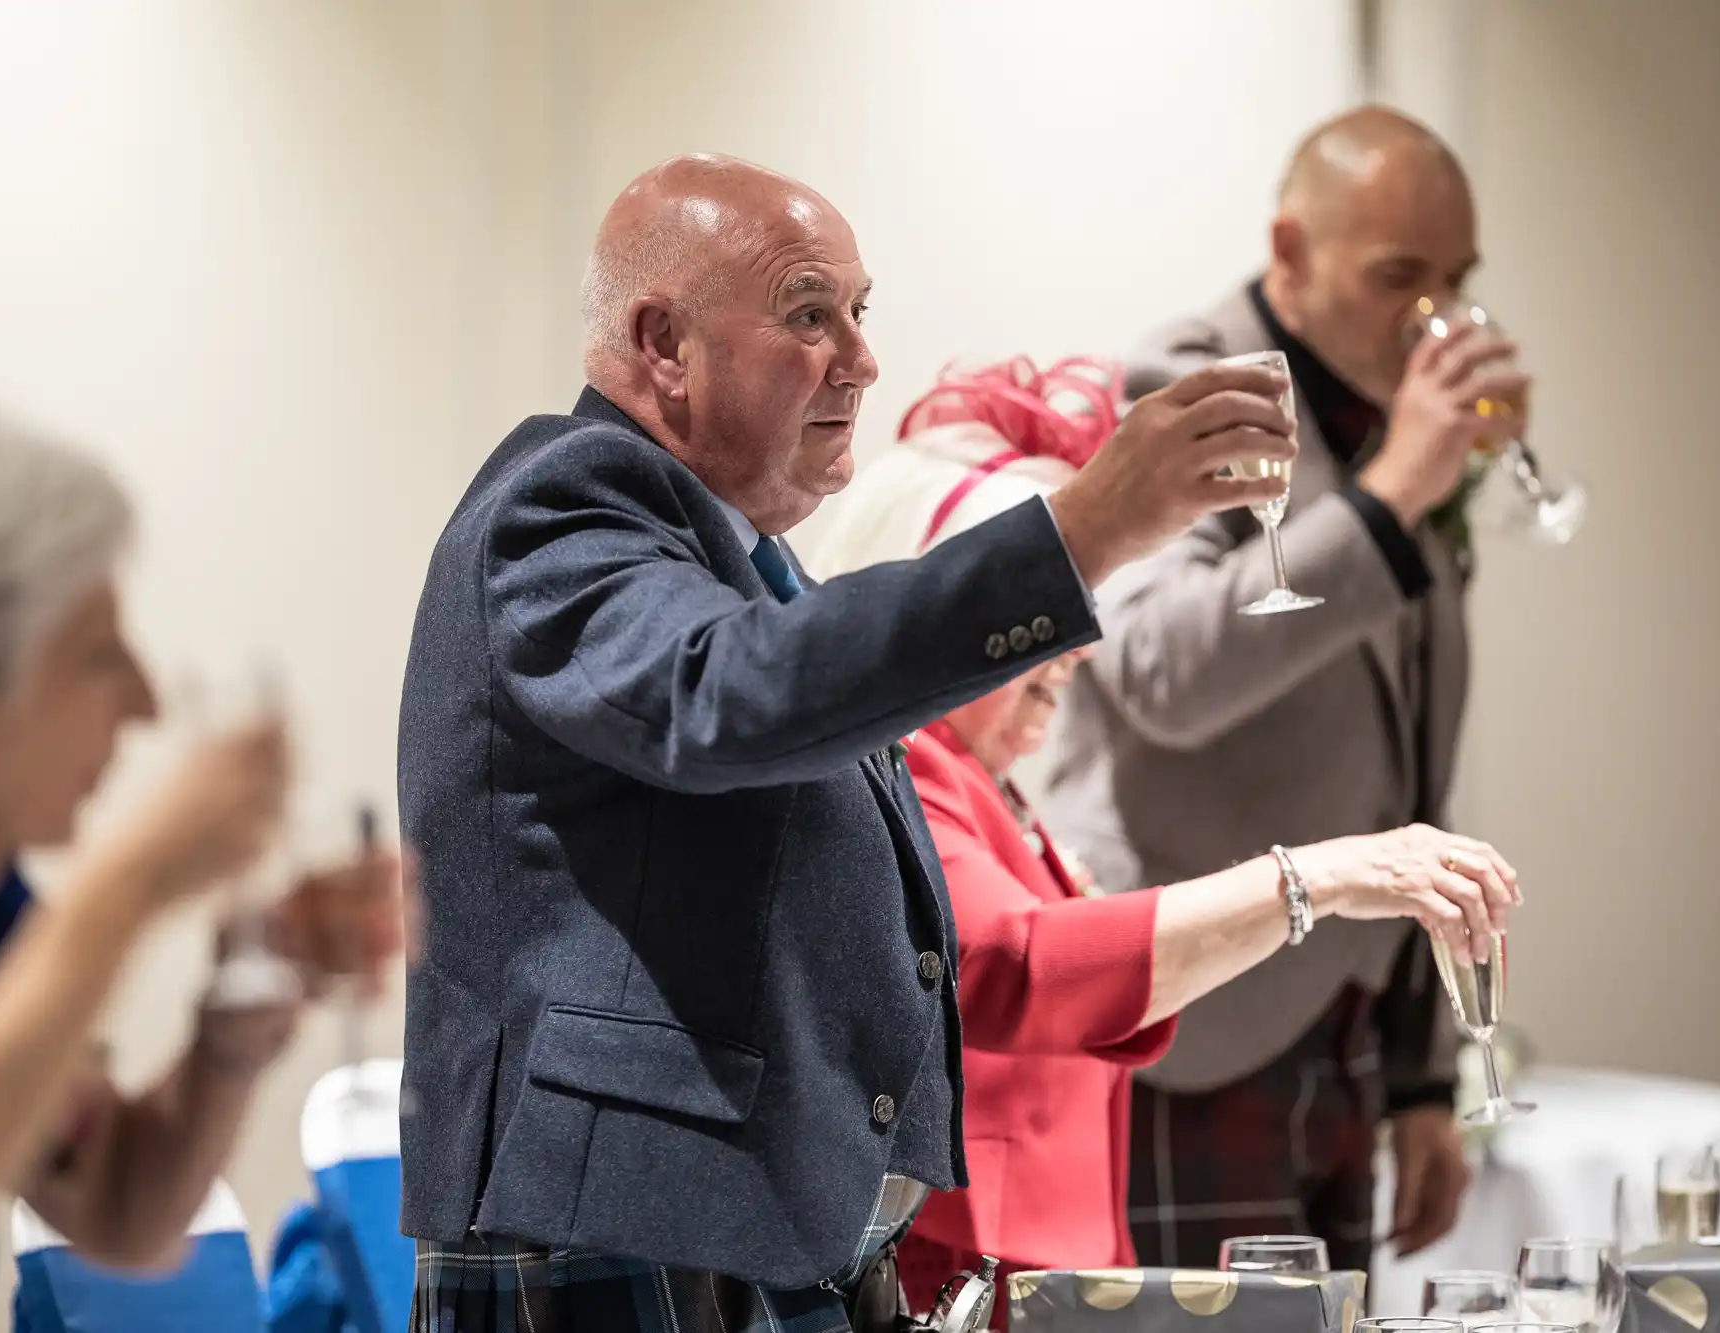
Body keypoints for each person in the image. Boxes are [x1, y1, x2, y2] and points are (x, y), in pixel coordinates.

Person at [395, 151, 1479, 1333]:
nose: (860, 360)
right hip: (619, 1235)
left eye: (859, 315)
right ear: (662, 343)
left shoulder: (747, 564)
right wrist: (1078, 533)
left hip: (757, 1245)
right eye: (810, 314)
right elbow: (728, 700)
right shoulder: (562, 504)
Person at [806, 357, 1517, 1327]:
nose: (1079, 650)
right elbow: (1015, 965)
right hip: (962, 1287)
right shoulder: (908, 767)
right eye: (1039, 618)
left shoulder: (994, 792)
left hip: (1050, 1281)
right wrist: (1316, 875)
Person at [0, 407, 415, 1330]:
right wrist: (128, 885)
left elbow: (122, 1209)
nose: (140, 700)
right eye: (96, 654)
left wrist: (240, 1006)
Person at [1042, 106, 1525, 1272]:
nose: (1432, 316)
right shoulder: (1188, 377)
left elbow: (1409, 752)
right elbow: (1160, 672)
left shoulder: (1386, 416)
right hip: (1187, 1025)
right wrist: (1389, 496)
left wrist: (1419, 1071)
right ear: (1291, 252)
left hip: (1343, 1026)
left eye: (1452, 279)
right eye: (1395, 276)